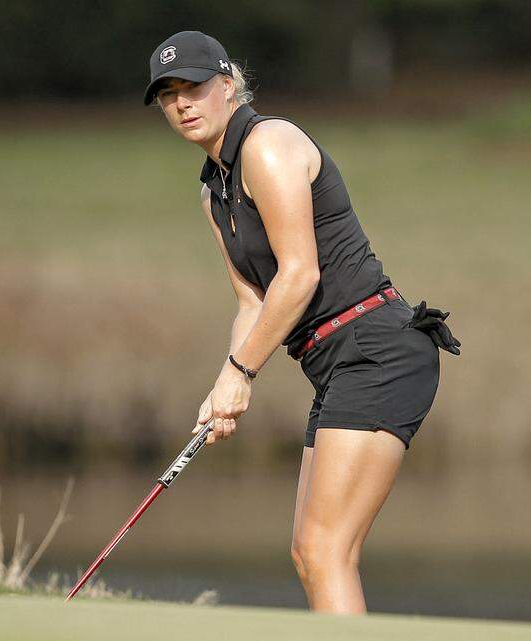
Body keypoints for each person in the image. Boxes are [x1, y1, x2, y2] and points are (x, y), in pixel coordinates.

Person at [143, 31, 461, 614]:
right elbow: (252, 303)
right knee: (309, 552)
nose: (181, 103)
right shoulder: (214, 192)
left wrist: (241, 373)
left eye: (193, 86)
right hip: (336, 362)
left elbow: (299, 275)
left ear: (228, 85)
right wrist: (222, 389)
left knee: (325, 549)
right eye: (168, 95)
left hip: (377, 350)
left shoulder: (268, 145)